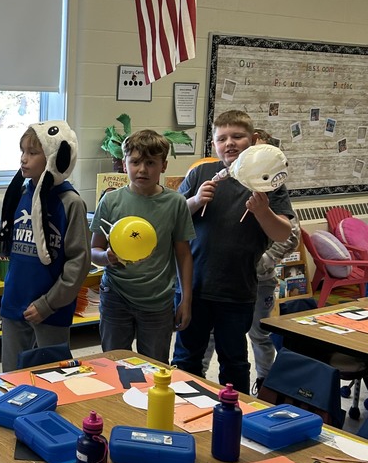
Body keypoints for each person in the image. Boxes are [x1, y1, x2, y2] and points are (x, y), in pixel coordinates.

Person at [173, 110, 293, 394]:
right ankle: (182, 410)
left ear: (253, 140)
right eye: (222, 138)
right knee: (186, 358)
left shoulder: (267, 179)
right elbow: (170, 218)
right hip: (194, 287)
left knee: (234, 362)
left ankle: (234, 415)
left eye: (237, 136)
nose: (230, 143)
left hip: (237, 290)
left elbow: (283, 233)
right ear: (213, 144)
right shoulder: (201, 173)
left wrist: (263, 212)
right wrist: (194, 201)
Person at [0, 120, 91, 371]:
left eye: (32, 153)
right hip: (15, 305)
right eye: (22, 152)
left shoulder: (71, 203)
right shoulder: (20, 195)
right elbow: (3, 247)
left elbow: (78, 264)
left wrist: (47, 305)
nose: (24, 159)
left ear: (54, 157)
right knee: (12, 377)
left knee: (51, 377)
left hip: (51, 311)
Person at [201, 129, 302, 392]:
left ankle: (267, 384)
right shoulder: (219, 178)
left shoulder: (273, 188)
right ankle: (198, 380)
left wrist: (262, 260)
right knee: (212, 337)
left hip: (258, 281)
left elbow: (289, 236)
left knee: (259, 334)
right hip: (223, 283)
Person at [90, 129, 194, 363]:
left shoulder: (175, 203)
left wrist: (185, 300)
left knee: (155, 366)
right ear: (125, 165)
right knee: (113, 363)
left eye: (150, 162)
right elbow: (94, 252)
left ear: (163, 166)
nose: (143, 169)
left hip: (157, 300)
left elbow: (184, 254)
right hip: (116, 295)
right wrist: (107, 256)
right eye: (135, 162)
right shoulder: (110, 201)